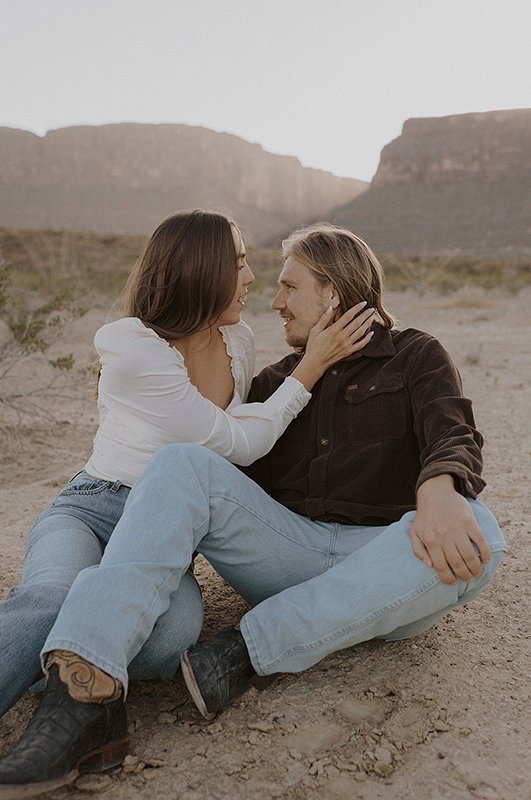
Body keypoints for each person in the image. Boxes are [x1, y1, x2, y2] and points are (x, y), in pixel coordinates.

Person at [0, 224, 506, 798]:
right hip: (289, 554)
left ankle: (246, 650)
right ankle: (82, 697)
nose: (273, 300)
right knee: (180, 465)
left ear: (333, 296)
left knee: (482, 530)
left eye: (290, 287)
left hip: (383, 562)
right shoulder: (273, 385)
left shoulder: (417, 355)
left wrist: (439, 489)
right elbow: (214, 476)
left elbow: (454, 432)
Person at [0, 212, 374, 720]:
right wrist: (310, 368)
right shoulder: (134, 349)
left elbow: (244, 417)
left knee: (170, 637)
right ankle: (57, 635)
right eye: (239, 263)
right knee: (50, 599)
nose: (251, 278)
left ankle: (62, 644)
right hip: (93, 506)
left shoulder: (237, 341)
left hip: (163, 526)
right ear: (204, 271)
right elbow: (236, 440)